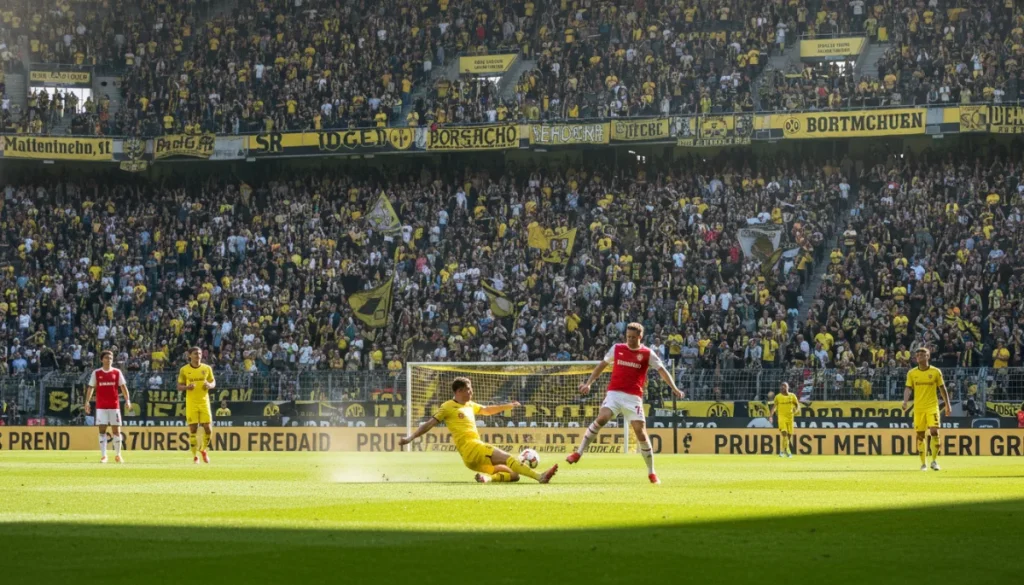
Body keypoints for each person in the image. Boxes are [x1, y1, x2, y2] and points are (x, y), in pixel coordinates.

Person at [567, 322, 685, 484]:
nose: (629, 340)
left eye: (633, 337)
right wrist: (588, 383)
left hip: (633, 397)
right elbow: (602, 365)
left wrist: (674, 388)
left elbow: (662, 370)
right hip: (614, 394)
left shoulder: (647, 353)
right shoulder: (617, 348)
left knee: (640, 432)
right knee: (602, 418)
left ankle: (651, 472)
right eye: (628, 337)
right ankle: (578, 453)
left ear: (640, 337)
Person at [399, 377, 558, 484]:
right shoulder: (447, 407)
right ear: (459, 391)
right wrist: (410, 438)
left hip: (470, 461)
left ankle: (487, 478)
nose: (471, 392)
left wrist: (508, 406)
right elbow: (428, 424)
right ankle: (540, 476)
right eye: (468, 389)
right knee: (508, 457)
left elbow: (487, 410)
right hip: (472, 447)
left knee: (514, 475)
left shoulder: (470, 405)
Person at [903, 348, 951, 471]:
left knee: (934, 431)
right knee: (920, 435)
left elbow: (942, 388)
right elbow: (908, 388)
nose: (919, 356)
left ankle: (934, 461)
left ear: (928, 356)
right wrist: (905, 401)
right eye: (917, 355)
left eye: (922, 354)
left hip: (932, 406)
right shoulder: (912, 373)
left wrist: (947, 404)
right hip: (918, 408)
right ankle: (923, 464)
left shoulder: (935, 372)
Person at [83, 350, 131, 463]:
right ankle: (104, 456)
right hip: (101, 407)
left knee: (116, 431)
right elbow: (91, 387)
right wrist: (87, 402)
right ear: (101, 359)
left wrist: (128, 400)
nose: (108, 360)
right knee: (102, 430)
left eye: (110, 358)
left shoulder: (117, 372)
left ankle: (118, 455)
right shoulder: (96, 373)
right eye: (106, 358)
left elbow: (123, 387)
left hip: (114, 406)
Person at [177, 347, 216, 464]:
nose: (198, 355)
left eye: (199, 353)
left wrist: (209, 385)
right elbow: (179, 386)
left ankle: (203, 450)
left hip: (204, 402)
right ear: (189, 355)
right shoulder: (184, 370)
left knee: (208, 428)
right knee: (193, 429)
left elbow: (213, 382)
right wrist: (187, 387)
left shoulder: (207, 368)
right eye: (195, 353)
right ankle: (195, 456)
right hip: (191, 402)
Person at [768, 382, 800, 458]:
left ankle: (783, 450)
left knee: (789, 435)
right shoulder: (778, 397)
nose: (783, 387)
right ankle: (787, 451)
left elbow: (797, 405)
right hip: (781, 417)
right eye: (781, 386)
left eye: (784, 386)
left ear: (788, 387)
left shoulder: (792, 396)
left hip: (790, 417)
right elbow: (774, 407)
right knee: (784, 432)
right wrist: (770, 416)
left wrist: (796, 410)